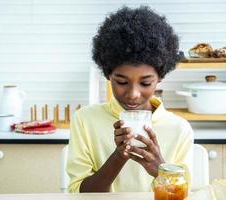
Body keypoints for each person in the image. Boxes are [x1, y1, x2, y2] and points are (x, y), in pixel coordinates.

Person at [67, 6, 194, 193]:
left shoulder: (179, 129)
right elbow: (80, 194)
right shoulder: (85, 120)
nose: (133, 93)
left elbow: (183, 196)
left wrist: (161, 170)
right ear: (108, 73)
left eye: (145, 83)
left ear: (160, 77)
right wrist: (119, 156)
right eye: (121, 81)